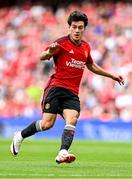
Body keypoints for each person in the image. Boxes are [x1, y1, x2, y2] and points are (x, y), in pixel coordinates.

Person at [10, 11, 124, 164]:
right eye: (74, 27)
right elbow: (43, 56)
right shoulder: (61, 43)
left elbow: (91, 66)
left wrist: (111, 75)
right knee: (47, 124)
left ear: (84, 29)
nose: (77, 30)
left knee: (73, 119)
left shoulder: (85, 47)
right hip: (56, 88)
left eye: (80, 27)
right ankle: (20, 136)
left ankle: (62, 152)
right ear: (69, 27)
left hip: (72, 93)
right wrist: (49, 52)